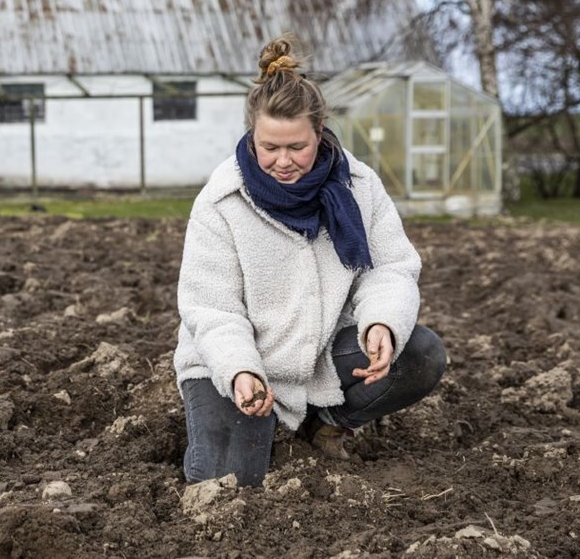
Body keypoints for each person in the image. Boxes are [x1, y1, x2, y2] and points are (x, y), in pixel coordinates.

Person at [173, 32, 446, 487]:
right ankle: (262, 421)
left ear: (319, 133)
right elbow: (212, 307)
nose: (283, 161)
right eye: (270, 147)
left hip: (320, 353)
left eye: (296, 147)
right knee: (222, 486)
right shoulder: (221, 201)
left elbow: (390, 267)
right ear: (251, 136)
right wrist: (240, 370)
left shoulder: (358, 186)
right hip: (238, 361)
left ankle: (328, 421)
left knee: (420, 354)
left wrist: (381, 322)